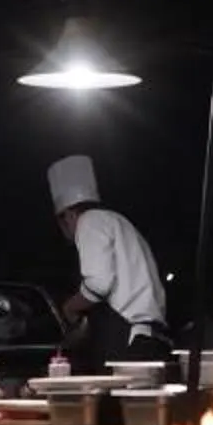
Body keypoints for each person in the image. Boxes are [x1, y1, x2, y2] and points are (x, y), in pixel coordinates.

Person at [46, 154, 170, 371]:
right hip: (152, 339)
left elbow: (99, 283)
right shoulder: (118, 221)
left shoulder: (89, 221)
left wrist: (70, 307)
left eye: (61, 221)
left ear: (69, 215)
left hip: (130, 343)